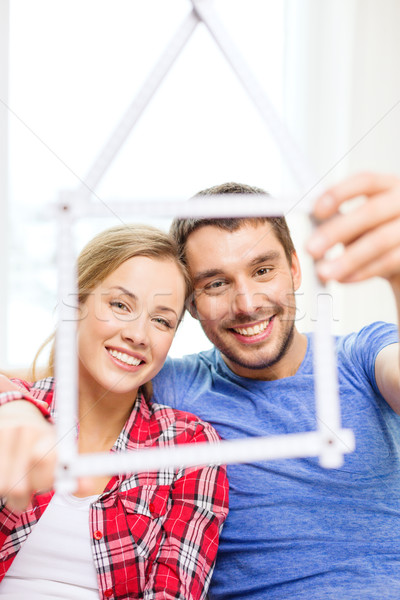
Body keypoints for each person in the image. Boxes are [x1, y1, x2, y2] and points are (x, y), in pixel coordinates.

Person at [149, 172, 400, 599]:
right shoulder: (174, 386)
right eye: (216, 284)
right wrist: (19, 409)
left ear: (295, 268)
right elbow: (59, 390)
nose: (247, 304)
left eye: (263, 270)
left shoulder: (363, 356)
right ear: (190, 302)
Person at [0, 224, 229, 600]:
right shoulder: (16, 411)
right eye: (121, 305)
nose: (138, 335)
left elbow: (174, 592)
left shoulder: (191, 447)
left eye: (161, 320)